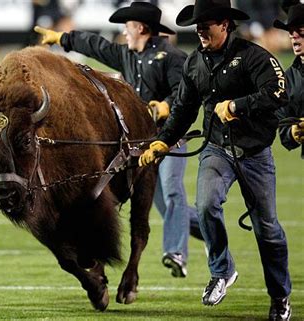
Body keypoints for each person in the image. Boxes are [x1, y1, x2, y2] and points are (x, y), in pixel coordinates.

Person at [138, 0, 292, 320]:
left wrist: (238, 106)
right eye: (197, 25)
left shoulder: (254, 56)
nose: (199, 31)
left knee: (268, 230)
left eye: (205, 24)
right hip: (217, 149)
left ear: (224, 24)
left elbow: (279, 93)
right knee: (207, 204)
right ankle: (221, 271)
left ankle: (280, 296)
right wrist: (161, 142)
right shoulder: (195, 63)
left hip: (254, 153)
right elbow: (182, 110)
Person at [34, 1, 202, 278]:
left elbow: (185, 93)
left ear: (141, 28)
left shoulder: (172, 57)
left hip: (169, 138)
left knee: (172, 192)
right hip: (140, 143)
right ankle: (211, 231)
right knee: (168, 206)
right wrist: (62, 38)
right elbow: (97, 46)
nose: (124, 33)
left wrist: (166, 104)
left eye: (127, 27)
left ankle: (176, 253)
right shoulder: (127, 54)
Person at [274, 3, 304, 154]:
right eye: (291, 32)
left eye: (301, 31)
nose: (294, 36)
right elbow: (283, 127)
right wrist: (294, 132)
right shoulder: (288, 79)